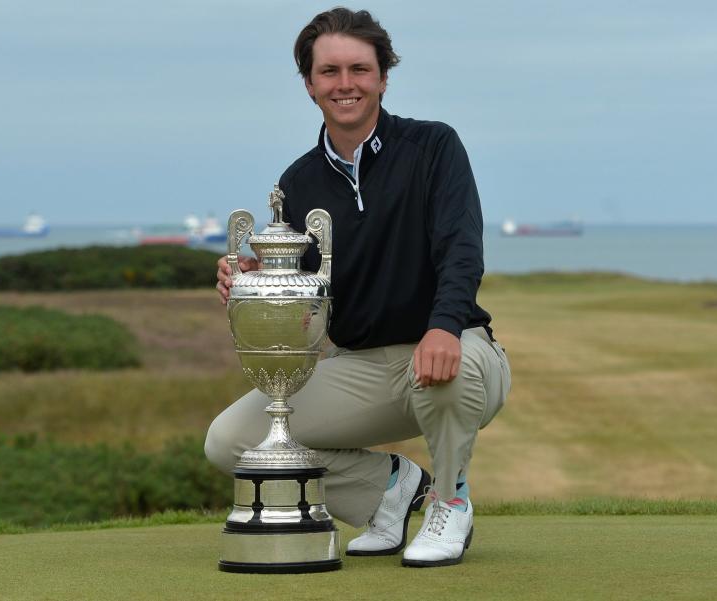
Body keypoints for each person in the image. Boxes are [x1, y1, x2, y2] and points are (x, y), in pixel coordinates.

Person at [206, 7, 510, 568]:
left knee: (449, 367)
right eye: (329, 72)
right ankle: (388, 490)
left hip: (457, 350)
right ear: (309, 85)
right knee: (229, 441)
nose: (345, 84)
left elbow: (461, 249)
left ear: (383, 77)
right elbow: (306, 291)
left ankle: (450, 502)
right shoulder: (297, 182)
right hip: (360, 367)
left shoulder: (434, 147)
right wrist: (256, 281)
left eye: (359, 70)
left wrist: (444, 326)